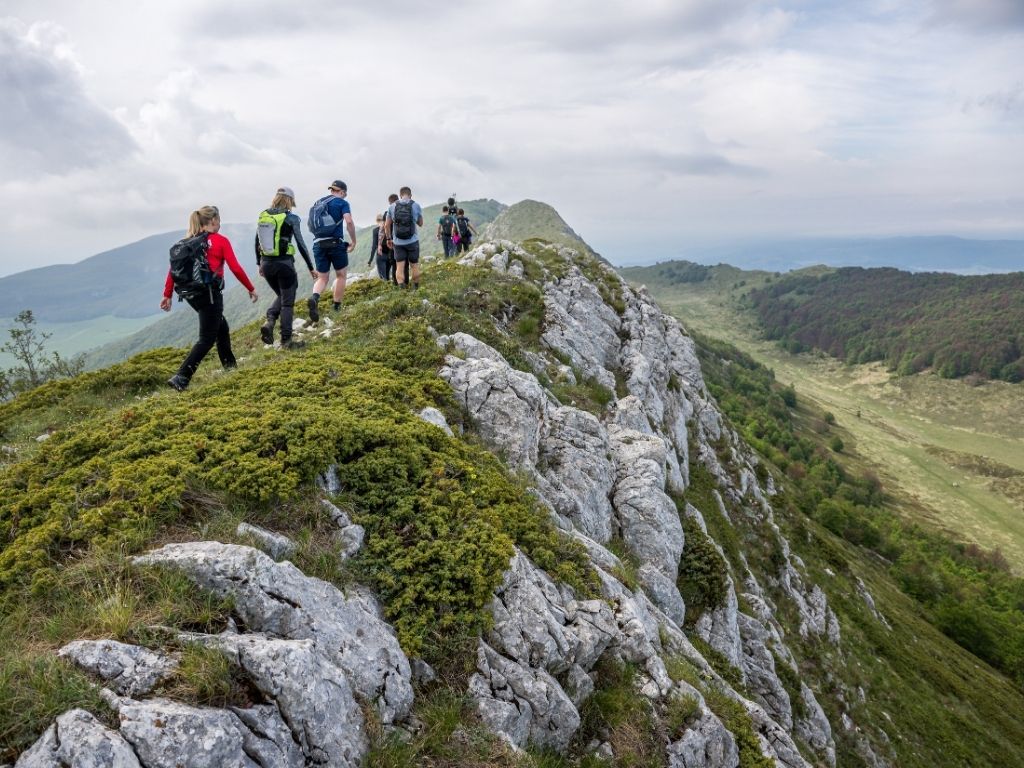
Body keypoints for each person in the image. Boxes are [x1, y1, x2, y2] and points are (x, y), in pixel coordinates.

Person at [161, 205, 257, 391]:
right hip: (210, 294)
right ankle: (182, 377)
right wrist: (250, 288)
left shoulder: (188, 242)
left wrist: (167, 294)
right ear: (213, 221)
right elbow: (235, 268)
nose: (220, 223)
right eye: (219, 220)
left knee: (221, 327)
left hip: (190, 295)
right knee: (206, 338)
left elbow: (173, 270)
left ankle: (231, 368)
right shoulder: (220, 241)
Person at [256, 186, 317, 350]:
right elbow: (301, 244)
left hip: (267, 264)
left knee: (283, 295)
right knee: (287, 303)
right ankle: (286, 341)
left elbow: (257, 241)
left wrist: (259, 263)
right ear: (290, 201)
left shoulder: (264, 215)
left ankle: (269, 321)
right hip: (284, 265)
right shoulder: (291, 218)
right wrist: (311, 267)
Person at [307, 180, 356, 321]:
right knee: (341, 275)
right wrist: (353, 241)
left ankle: (315, 298)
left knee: (322, 278)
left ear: (332, 190)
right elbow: (349, 222)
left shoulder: (318, 203)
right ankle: (336, 307)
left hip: (318, 244)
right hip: (336, 244)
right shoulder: (342, 203)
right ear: (342, 192)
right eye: (344, 194)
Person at [383, 187, 424, 289]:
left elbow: (386, 225)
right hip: (413, 241)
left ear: (400, 195)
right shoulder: (416, 205)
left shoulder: (392, 207)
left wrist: (388, 239)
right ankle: (416, 288)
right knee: (414, 265)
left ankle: (402, 289)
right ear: (410, 195)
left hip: (398, 243)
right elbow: (420, 223)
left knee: (399, 267)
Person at [367, 213, 392, 281]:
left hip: (381, 256)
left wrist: (370, 260)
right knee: (387, 276)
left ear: (377, 221)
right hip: (390, 254)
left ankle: (386, 290)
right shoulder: (389, 228)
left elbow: (374, 246)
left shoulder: (375, 230)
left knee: (383, 278)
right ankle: (391, 290)